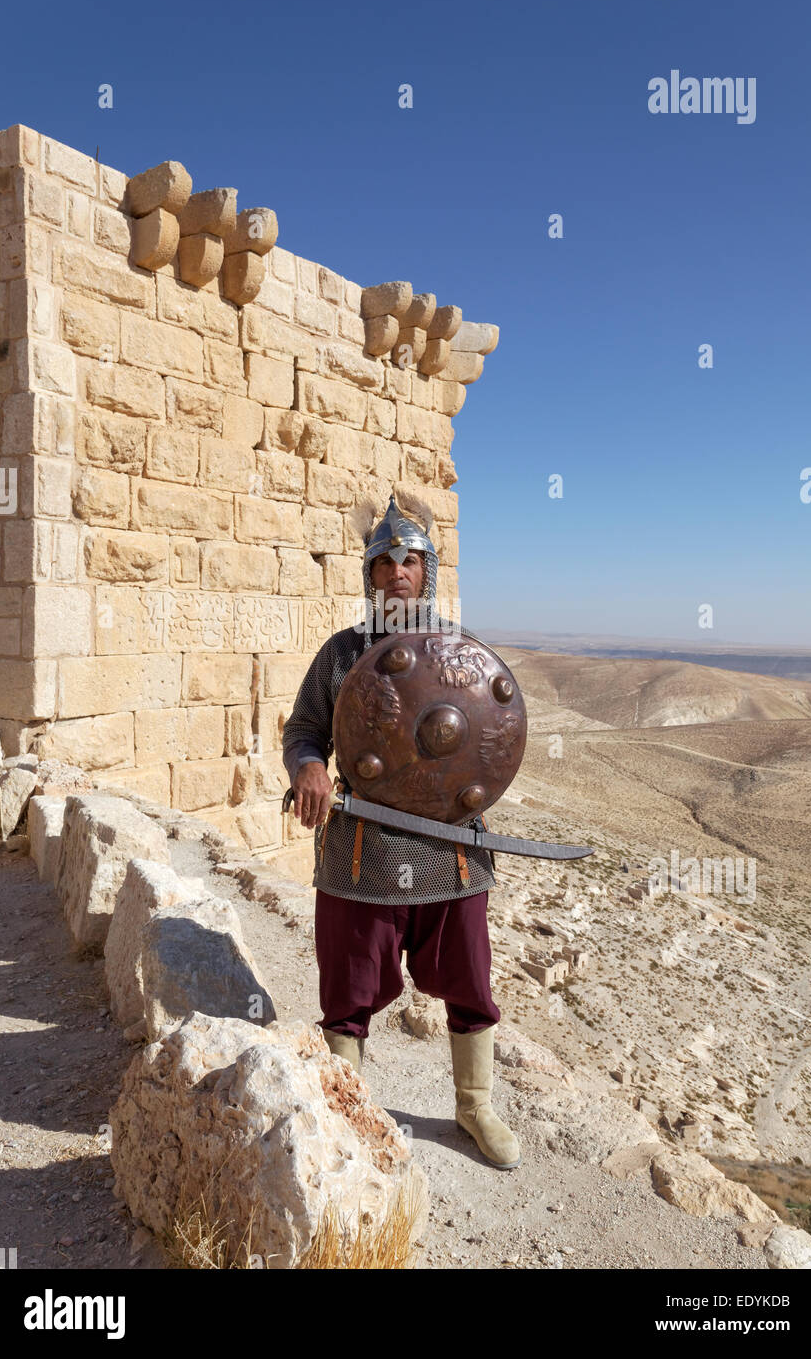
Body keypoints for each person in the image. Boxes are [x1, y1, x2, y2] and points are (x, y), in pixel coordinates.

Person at [282, 490, 520, 1169]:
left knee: (471, 982)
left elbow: (490, 738)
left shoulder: (462, 652)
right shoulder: (340, 655)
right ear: (370, 576)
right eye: (383, 563)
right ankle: (345, 1106)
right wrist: (309, 768)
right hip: (364, 846)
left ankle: (475, 1106)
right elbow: (304, 731)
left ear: (428, 571)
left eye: (409, 561)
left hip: (451, 849)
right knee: (349, 990)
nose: (396, 573)